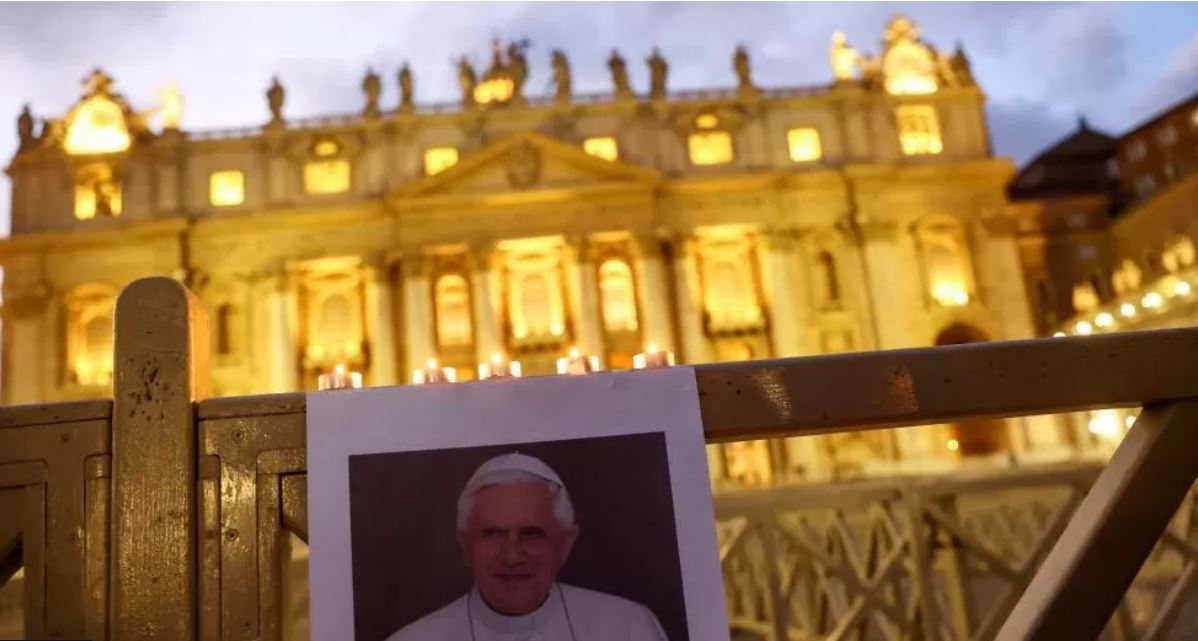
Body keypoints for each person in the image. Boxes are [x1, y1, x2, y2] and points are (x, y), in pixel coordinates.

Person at [387, 453, 669, 641]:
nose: (511, 555)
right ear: (465, 545)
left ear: (565, 544)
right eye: (493, 534)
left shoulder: (627, 628)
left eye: (531, 534)